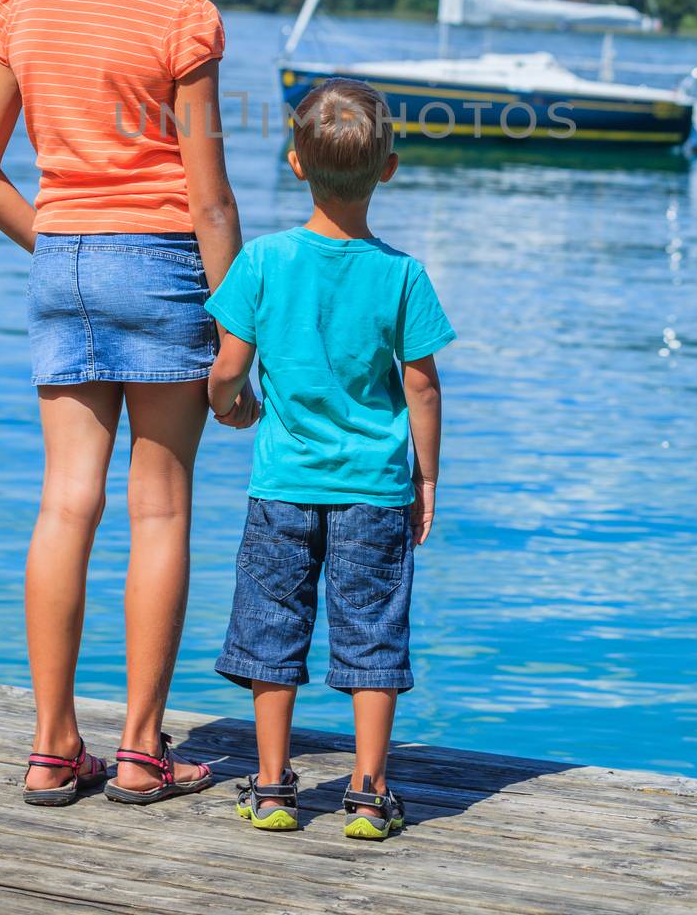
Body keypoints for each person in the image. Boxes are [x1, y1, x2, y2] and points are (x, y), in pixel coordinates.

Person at [0, 0, 241, 806]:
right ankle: (139, 750)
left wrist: (65, 244)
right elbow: (206, 195)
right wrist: (239, 327)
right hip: (161, 267)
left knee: (63, 503)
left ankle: (49, 747)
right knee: (157, 506)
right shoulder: (183, 17)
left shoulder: (23, 6)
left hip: (63, 264)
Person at [205, 77, 456, 840]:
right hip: (375, 492)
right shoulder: (403, 275)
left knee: (271, 629)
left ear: (293, 163)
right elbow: (423, 389)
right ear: (387, 168)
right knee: (372, 635)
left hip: (282, 485)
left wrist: (232, 407)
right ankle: (368, 792)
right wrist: (426, 476)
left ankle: (276, 786)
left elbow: (225, 370)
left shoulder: (261, 263)